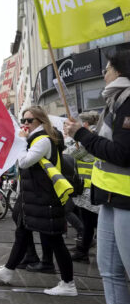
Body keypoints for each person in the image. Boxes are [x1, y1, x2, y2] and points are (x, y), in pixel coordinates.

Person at [0, 106, 77, 296]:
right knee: (22, 232)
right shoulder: (34, 139)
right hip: (33, 197)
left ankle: (68, 284)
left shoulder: (42, 140)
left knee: (55, 240)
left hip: (44, 198)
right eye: (23, 120)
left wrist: (19, 141)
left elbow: (25, 162)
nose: (25, 124)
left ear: (41, 122)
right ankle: (8, 271)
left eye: (29, 120)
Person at [64, 50, 130, 304]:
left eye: (107, 69)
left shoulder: (126, 102)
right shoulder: (115, 102)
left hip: (126, 199)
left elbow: (123, 154)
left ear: (119, 71)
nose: (104, 74)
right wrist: (83, 135)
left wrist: (82, 134)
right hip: (109, 197)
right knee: (109, 271)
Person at [66, 111, 100, 263]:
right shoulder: (96, 135)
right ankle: (83, 248)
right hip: (91, 187)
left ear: (85, 124)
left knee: (90, 222)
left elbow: (70, 154)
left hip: (89, 188)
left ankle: (83, 251)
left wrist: (76, 137)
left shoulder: (89, 138)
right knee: (90, 222)